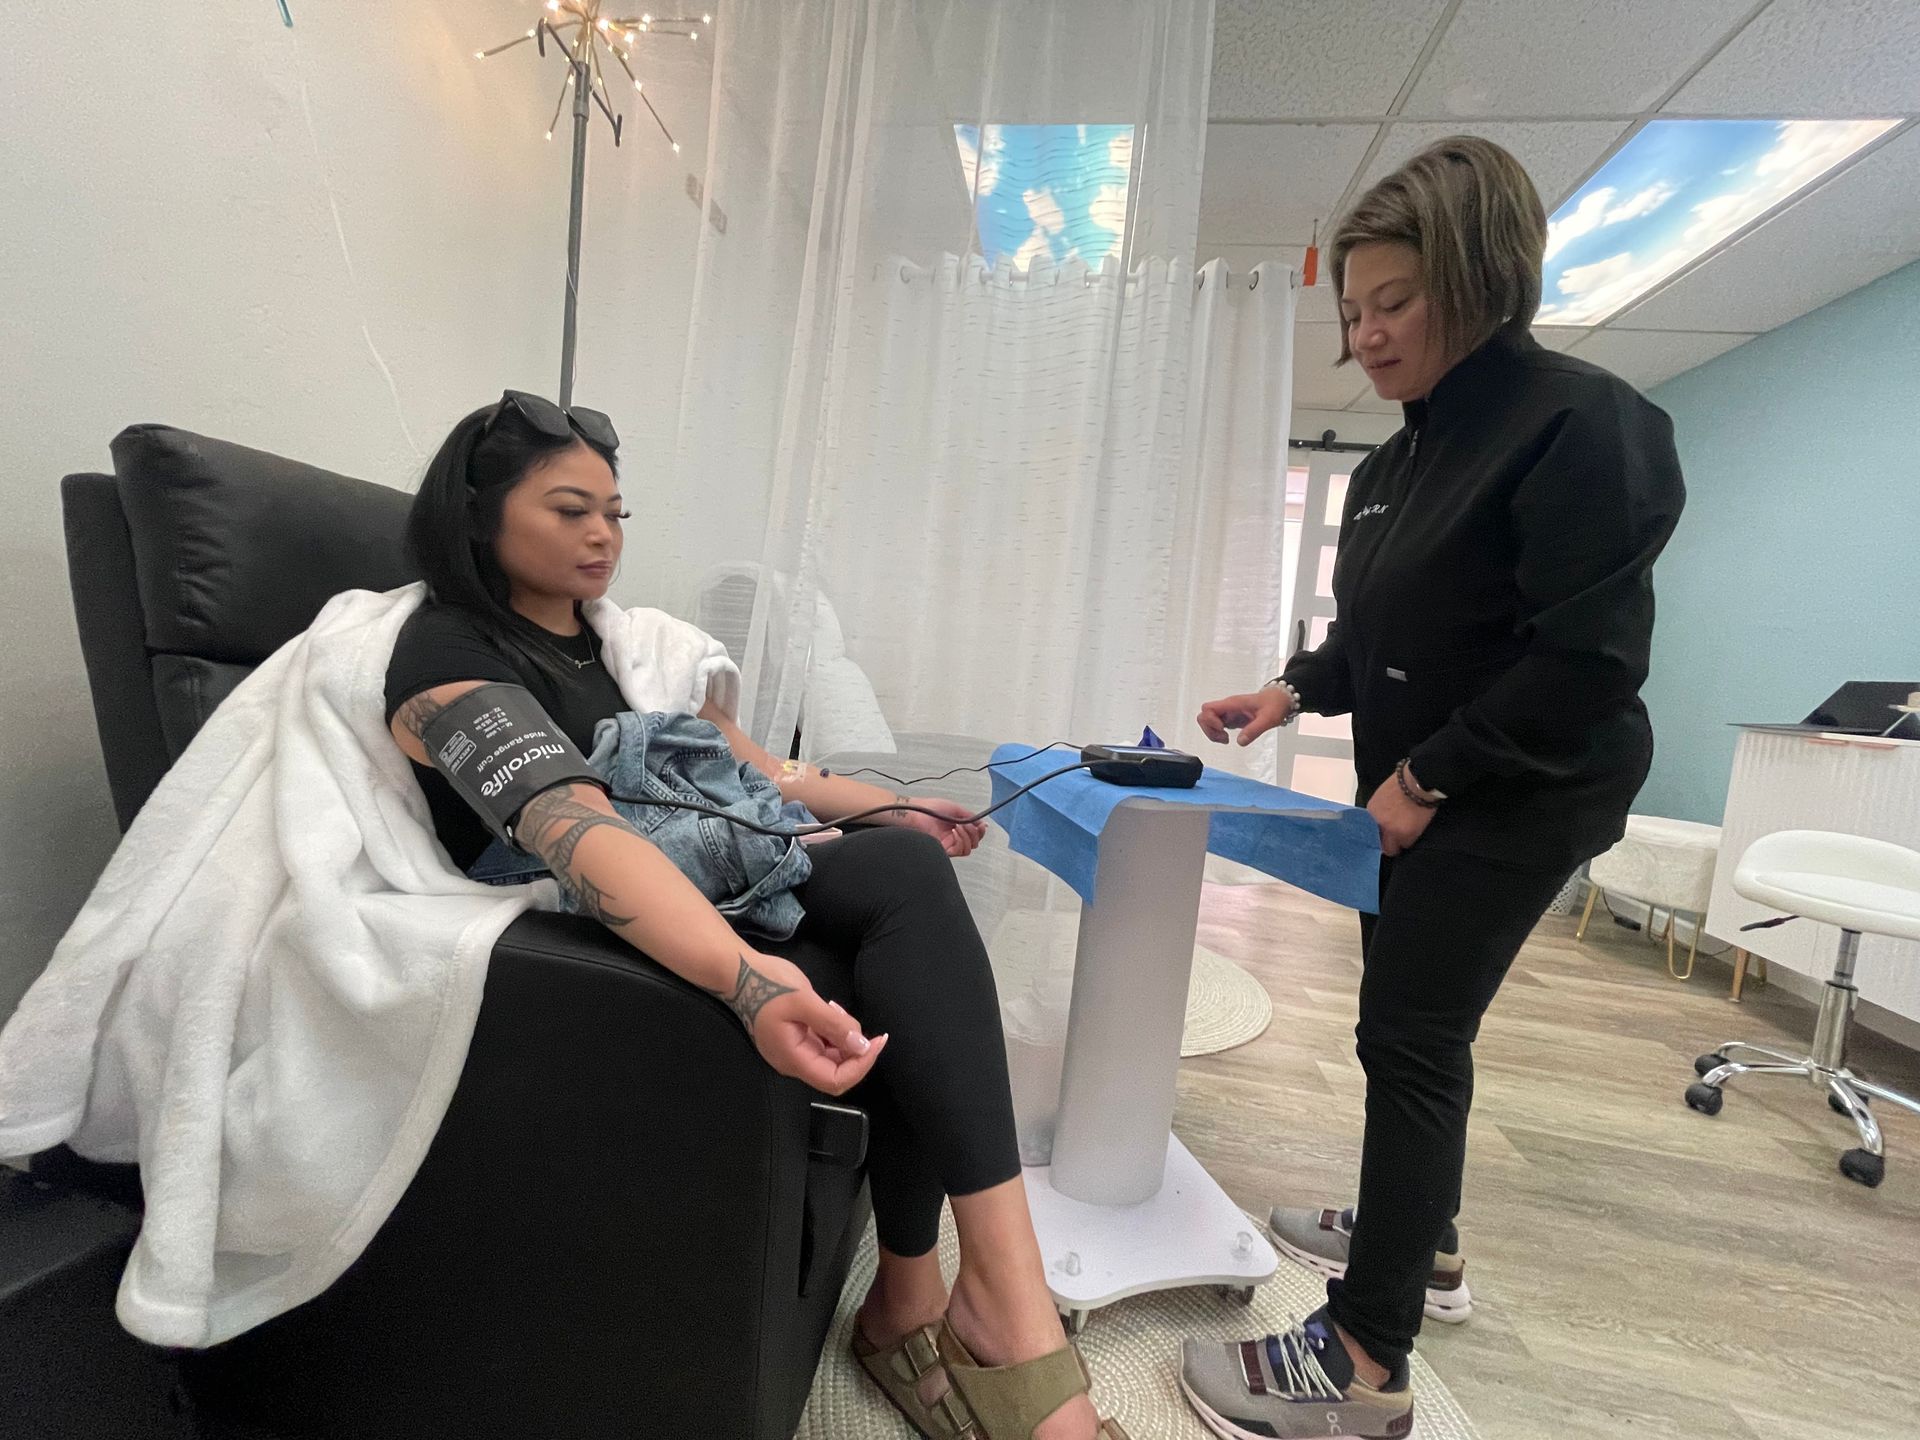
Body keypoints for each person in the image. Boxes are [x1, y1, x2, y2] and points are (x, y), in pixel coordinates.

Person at [384, 392, 1126, 1440]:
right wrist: (746, 974)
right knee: (897, 907)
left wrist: (888, 803)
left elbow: (759, 770)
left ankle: (930, 1296)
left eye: (616, 511)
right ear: (478, 515)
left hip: (704, 871)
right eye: (569, 509)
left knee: (905, 871)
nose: (604, 535)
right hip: (581, 926)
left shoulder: (625, 647)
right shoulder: (447, 658)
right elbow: (569, 830)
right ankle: (995, 1312)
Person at [1179, 137, 1685, 1439]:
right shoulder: (1394, 464)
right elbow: (1377, 639)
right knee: (1405, 1023)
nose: (1368, 331)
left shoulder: (1586, 424)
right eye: (1352, 310)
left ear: (1476, 276)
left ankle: (1366, 1357)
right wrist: (1292, 690)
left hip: (1526, 786)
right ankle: (1428, 1232)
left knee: (1408, 1037)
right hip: (1415, 784)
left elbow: (1586, 662)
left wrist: (1425, 777)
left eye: (1395, 301)